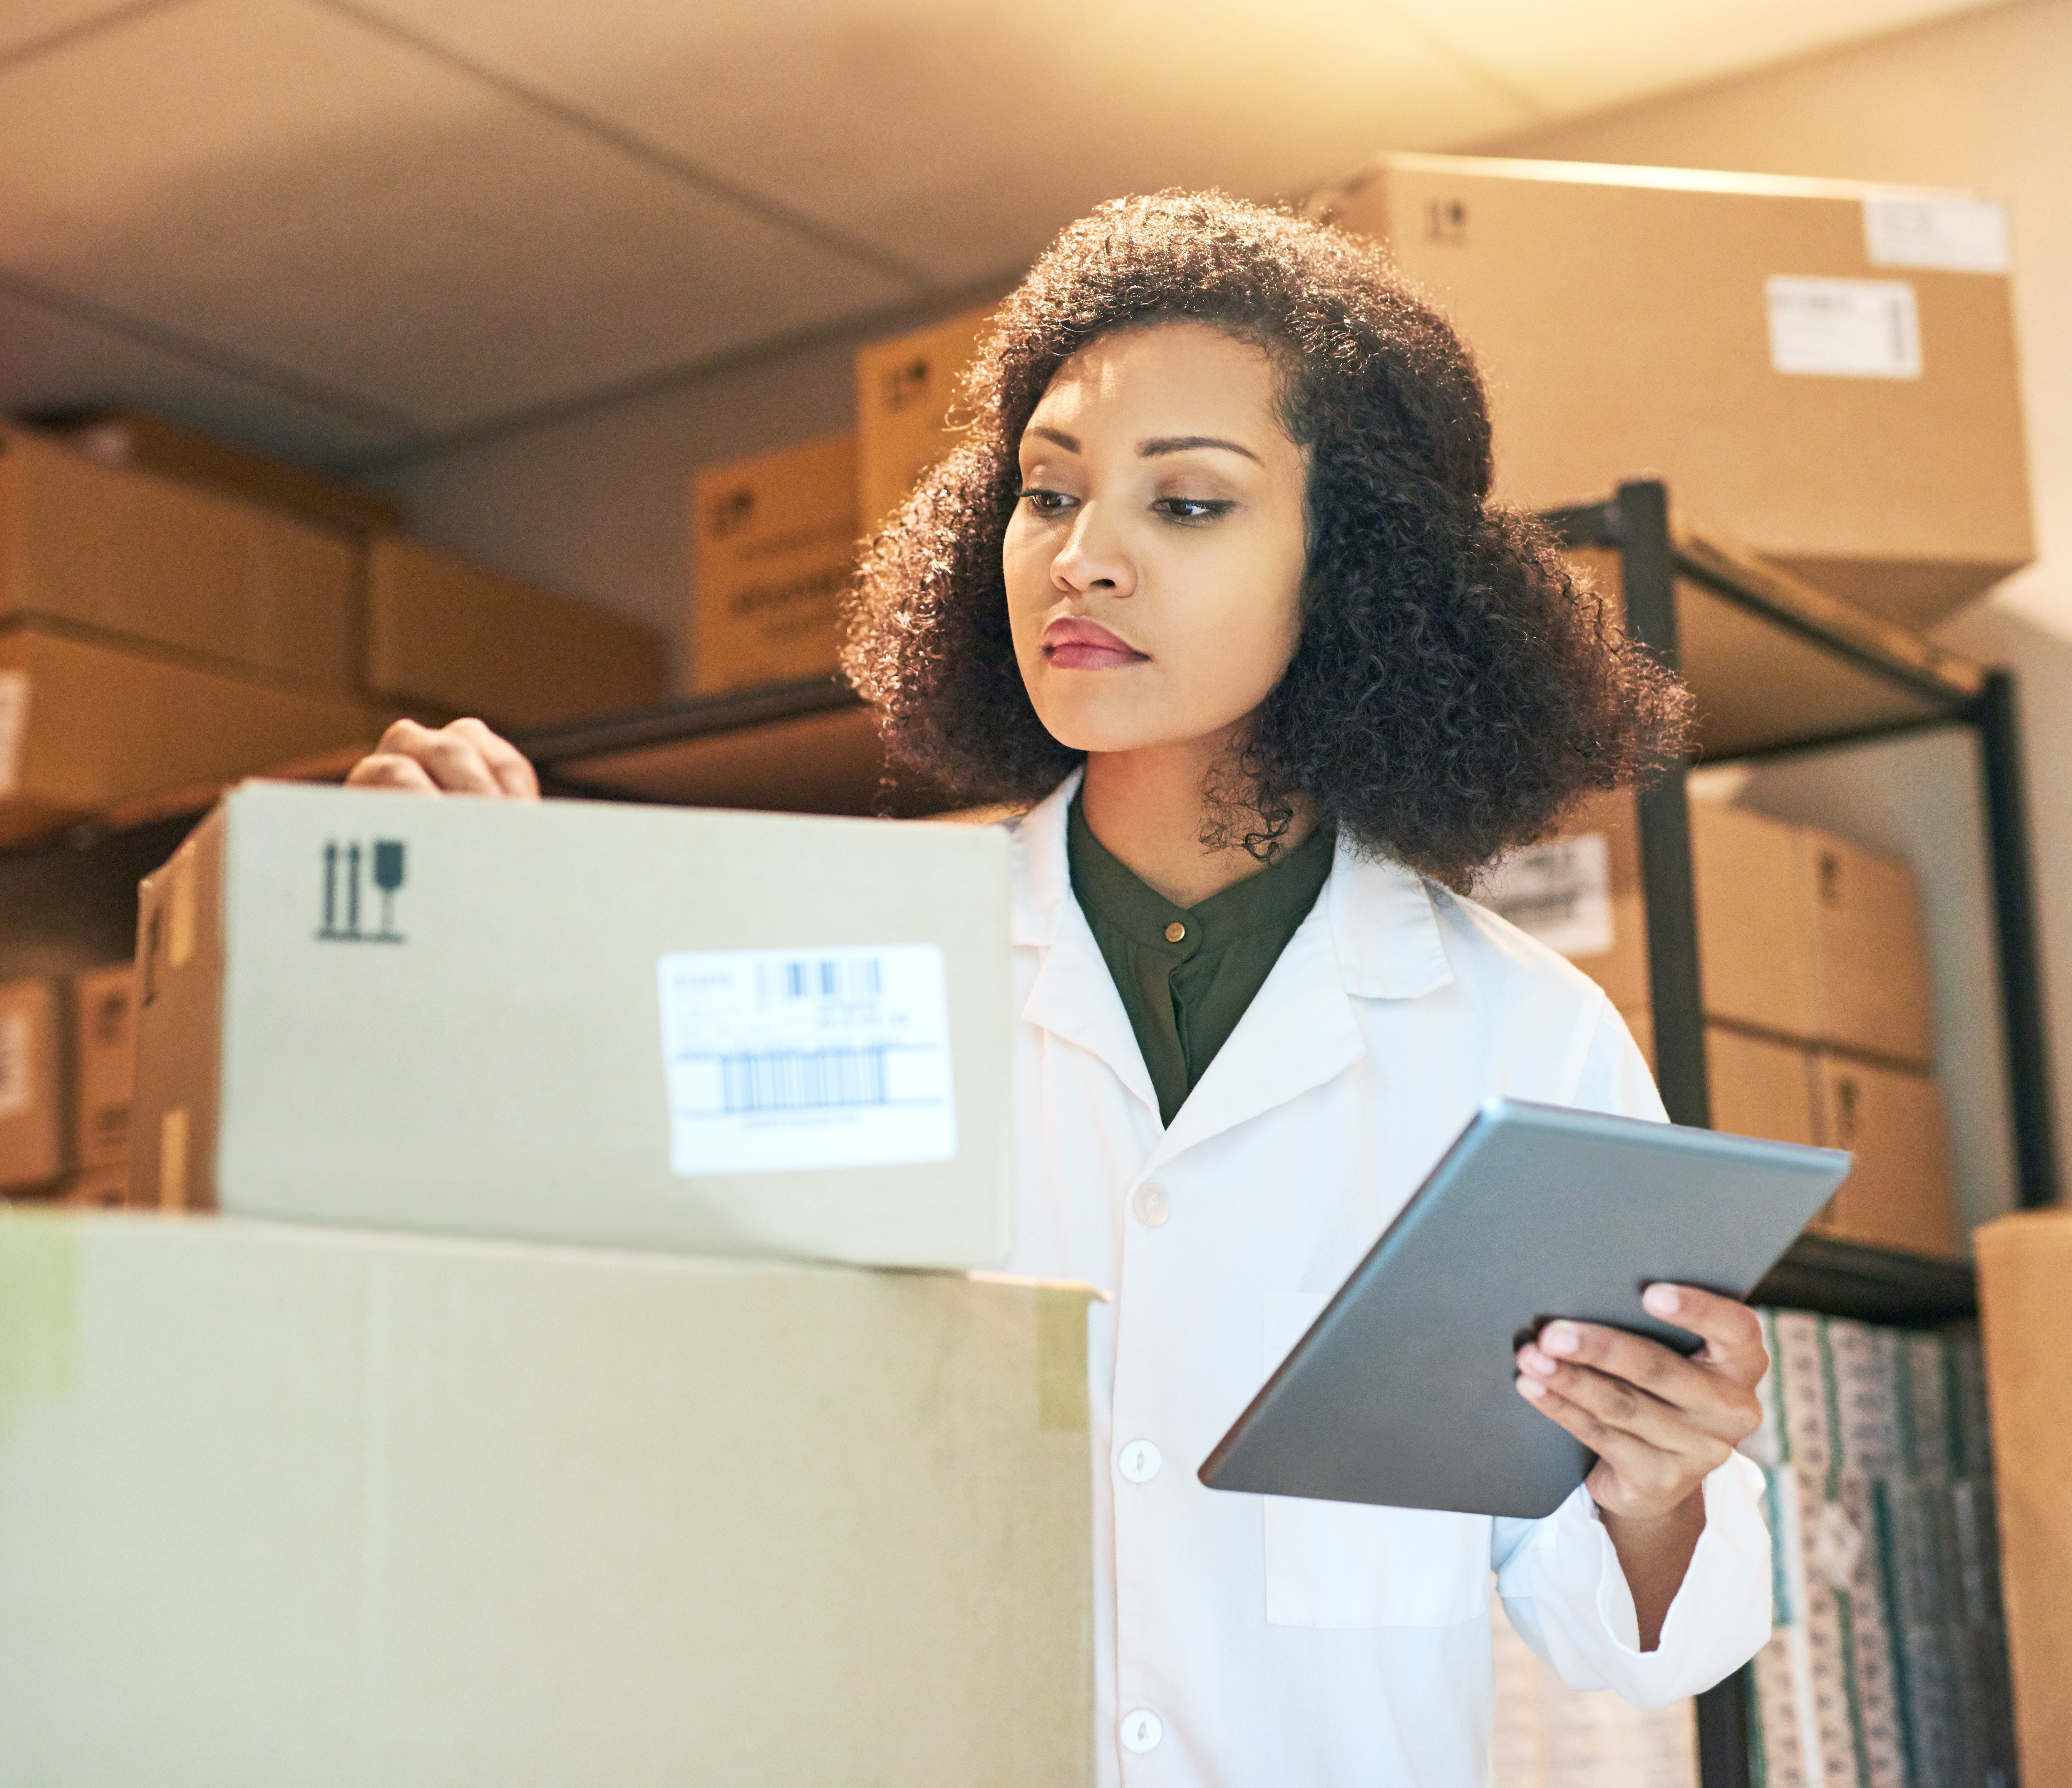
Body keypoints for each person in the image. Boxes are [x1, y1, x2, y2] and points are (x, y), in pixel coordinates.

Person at [346, 191, 1774, 1786]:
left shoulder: (1518, 1039)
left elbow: (1640, 1642)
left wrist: (1658, 1483)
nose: (1080, 560)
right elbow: (592, 1388)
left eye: (1185, 507)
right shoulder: (850, 971)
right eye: (1044, 494)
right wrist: (472, 947)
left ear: (1359, 568)